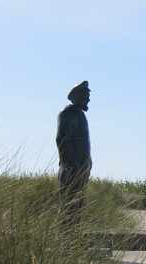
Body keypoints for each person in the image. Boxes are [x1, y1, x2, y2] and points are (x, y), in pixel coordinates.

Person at [56, 81, 92, 225]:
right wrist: (72, 165)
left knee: (78, 205)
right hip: (72, 169)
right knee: (68, 205)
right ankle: (64, 238)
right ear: (77, 96)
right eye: (86, 95)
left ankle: (74, 239)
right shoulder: (67, 114)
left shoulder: (81, 116)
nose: (88, 99)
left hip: (82, 168)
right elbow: (61, 139)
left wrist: (87, 164)